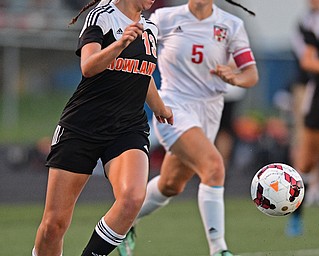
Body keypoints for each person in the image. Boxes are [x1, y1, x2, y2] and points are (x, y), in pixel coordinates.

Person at [31, 0, 174, 255]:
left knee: (132, 198)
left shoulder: (149, 26)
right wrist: (119, 44)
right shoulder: (102, 16)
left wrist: (160, 107)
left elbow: (142, 72)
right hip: (82, 127)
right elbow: (88, 67)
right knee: (54, 225)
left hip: (127, 128)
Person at [117, 0, 259, 255]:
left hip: (210, 111)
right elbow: (133, 46)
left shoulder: (231, 25)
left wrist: (236, 77)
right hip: (174, 107)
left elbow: (251, 73)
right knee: (214, 166)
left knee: (172, 184)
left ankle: (124, 220)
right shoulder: (165, 18)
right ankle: (219, 249)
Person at [286, 0, 319, 237]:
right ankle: (296, 218)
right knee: (306, 159)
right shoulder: (312, 22)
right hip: (318, 95)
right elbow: (307, 60)